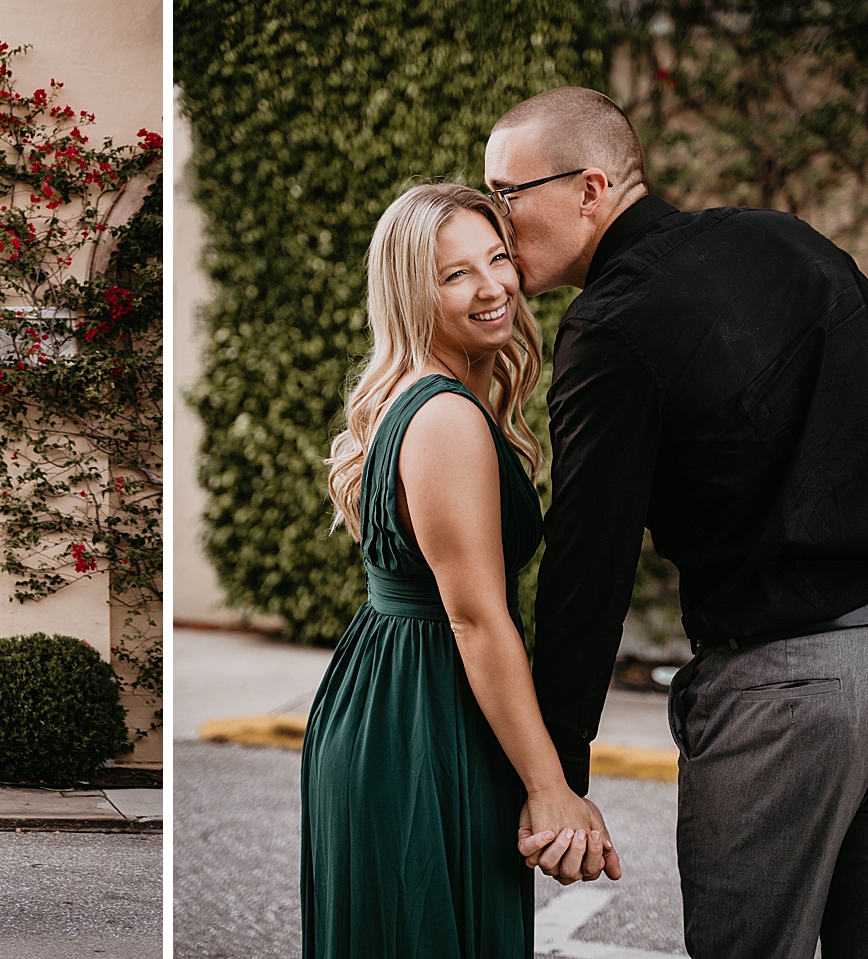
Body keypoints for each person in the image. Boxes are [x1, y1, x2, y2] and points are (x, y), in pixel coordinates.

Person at [485, 85, 868, 958]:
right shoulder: (787, 240)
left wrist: (555, 774)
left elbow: (590, 561)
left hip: (780, 691)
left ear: (590, 189)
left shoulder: (613, 325)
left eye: (507, 193)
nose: (496, 221)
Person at [300, 184, 620, 959]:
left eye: (498, 258)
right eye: (455, 274)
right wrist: (550, 788)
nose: (492, 286)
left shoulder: (433, 400)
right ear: (411, 293)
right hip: (421, 717)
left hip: (406, 697)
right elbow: (476, 618)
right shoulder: (444, 416)